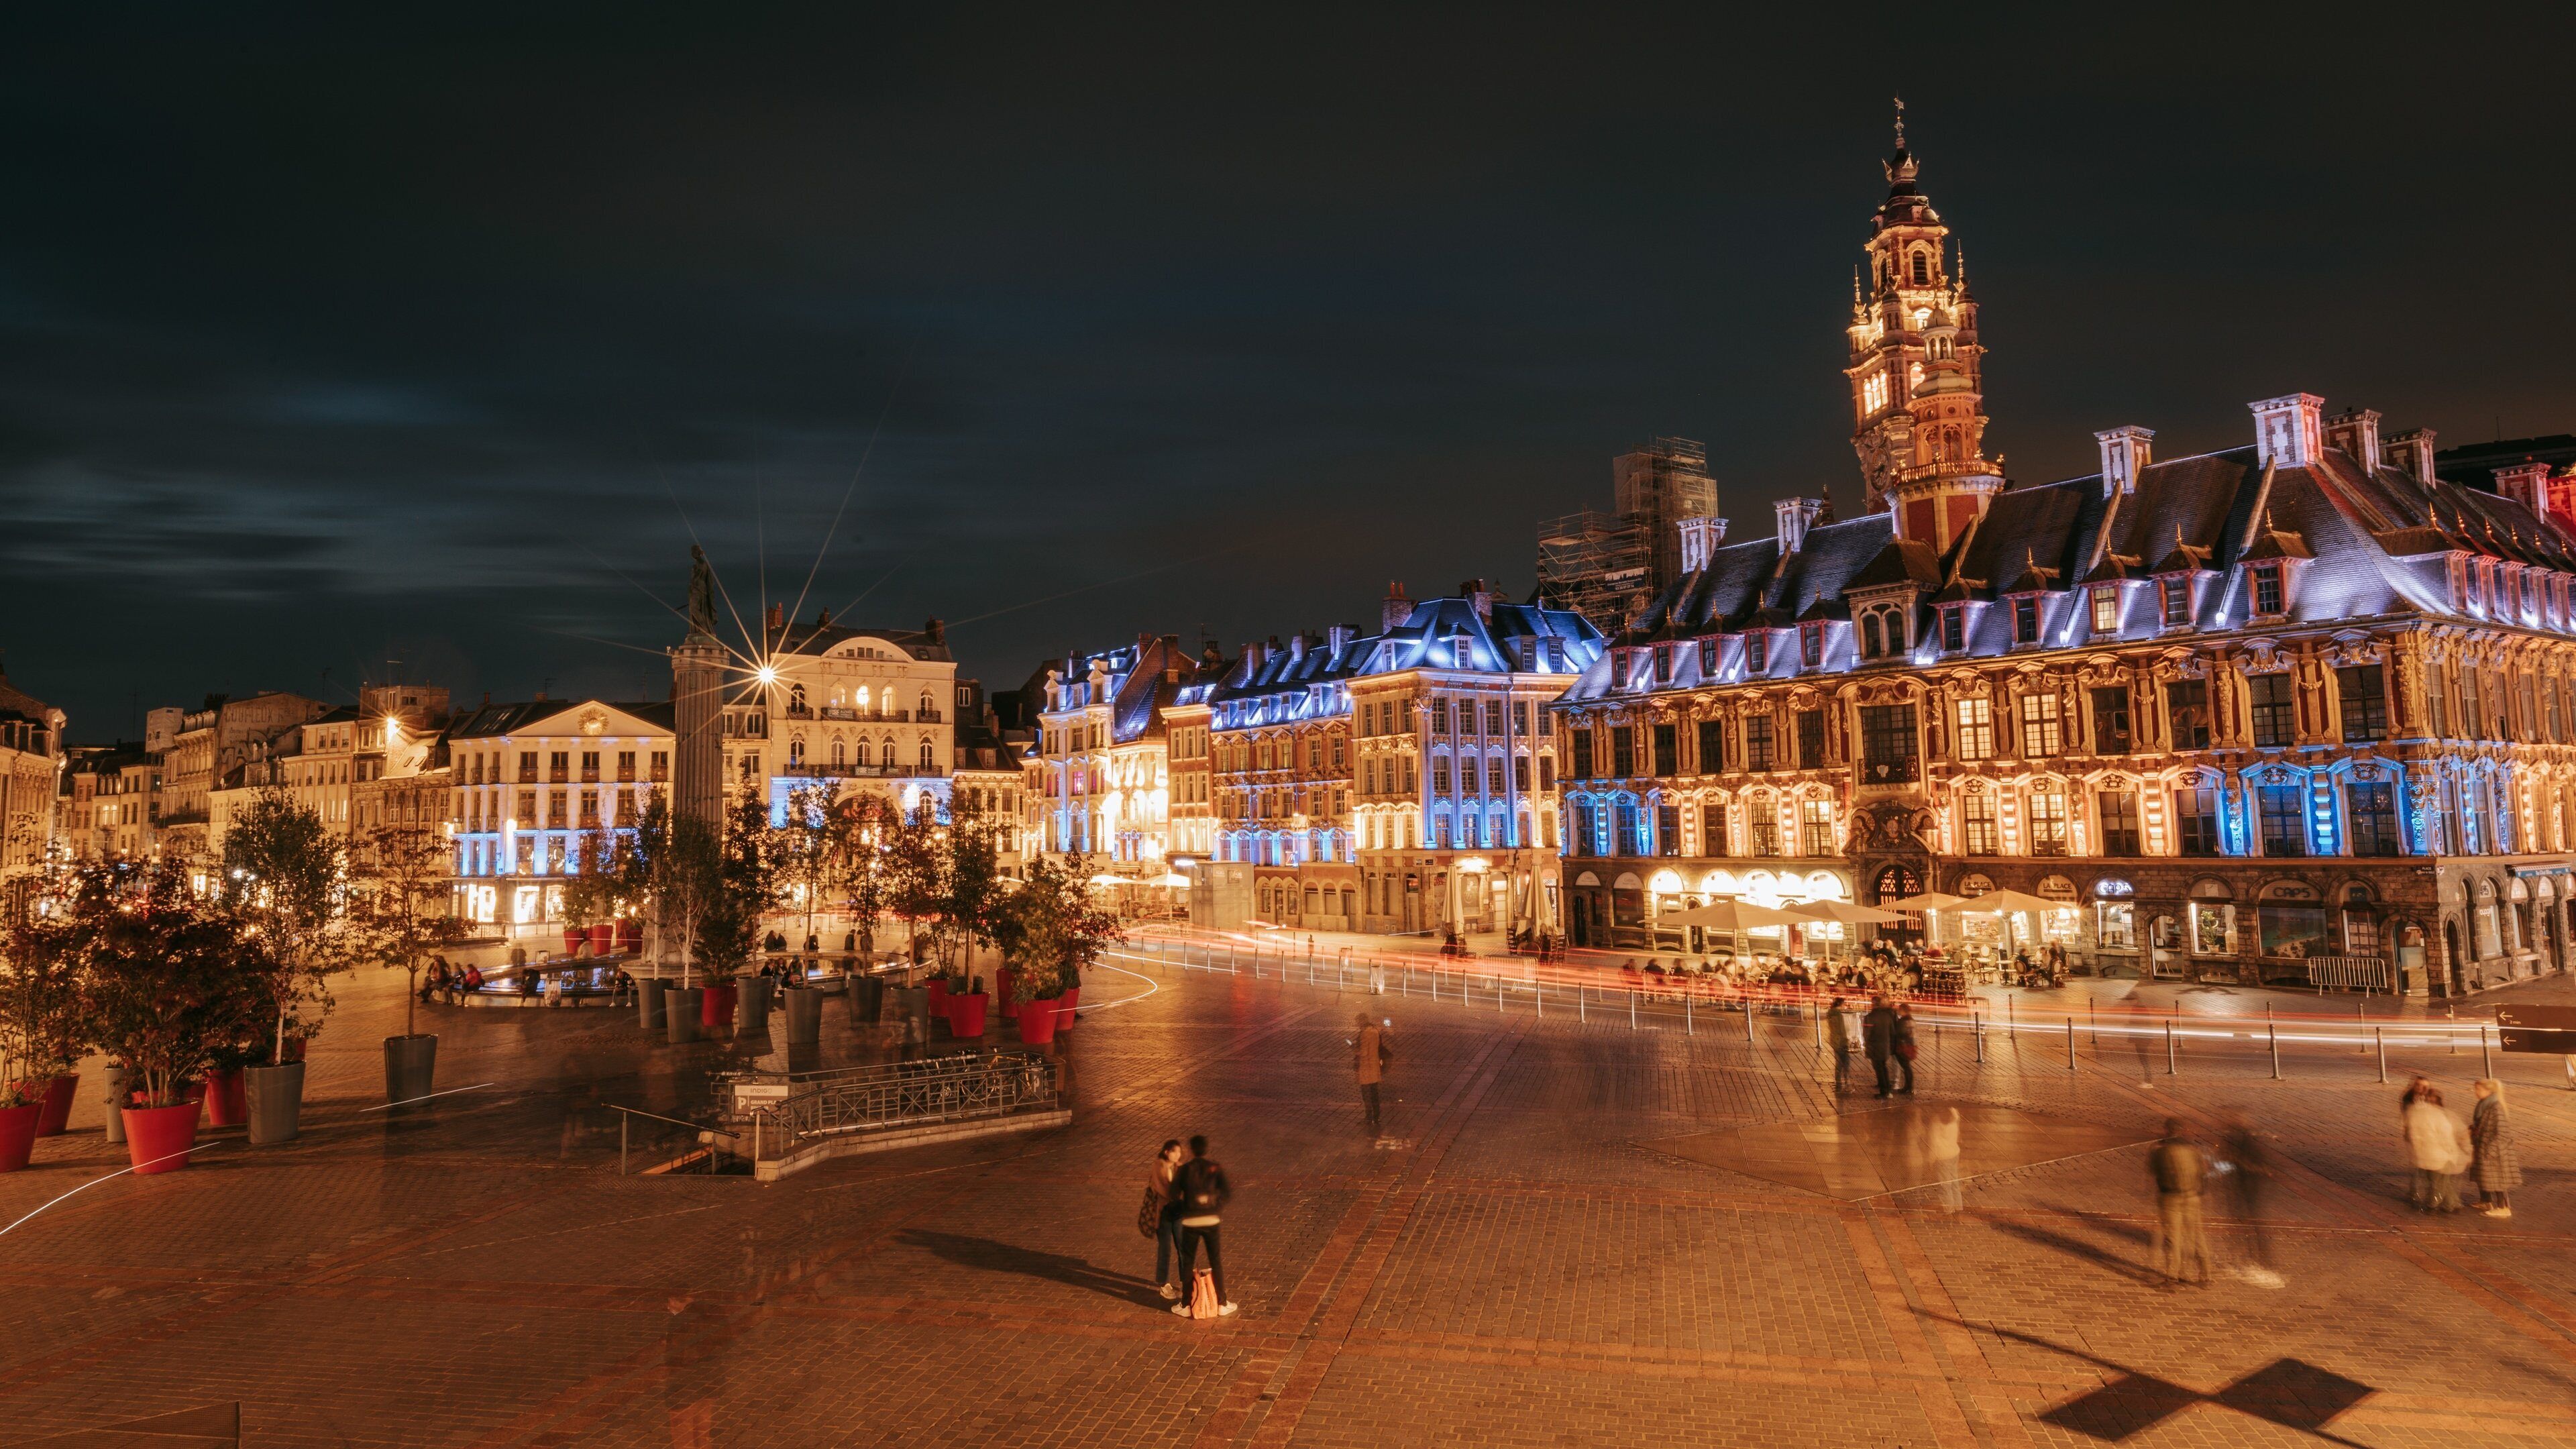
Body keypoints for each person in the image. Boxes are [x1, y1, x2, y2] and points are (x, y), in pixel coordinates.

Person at [1170, 1136, 1237, 1317]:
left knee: (1188, 1261)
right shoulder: (1215, 1168)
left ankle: (1185, 1304)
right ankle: (1222, 1303)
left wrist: (1185, 1208)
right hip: (1211, 1220)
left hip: (1191, 1220)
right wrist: (1216, 1207)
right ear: (1206, 1149)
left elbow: (1173, 1194)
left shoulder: (1184, 1170)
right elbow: (1228, 1192)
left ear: (1191, 1150)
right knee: (1215, 1259)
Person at [2216, 1116, 2284, 1289]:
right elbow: (2227, 1166)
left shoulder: (2248, 1145)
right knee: (2243, 1229)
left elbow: (2259, 1168)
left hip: (2250, 1194)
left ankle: (2264, 1264)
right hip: (2242, 1192)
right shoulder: (2237, 1142)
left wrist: (2233, 1161)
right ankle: (2248, 1261)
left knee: (2254, 1229)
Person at [2147, 1119, 2210, 1285]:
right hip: (2192, 1197)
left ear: (2166, 1130)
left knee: (2174, 1238)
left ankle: (2173, 1275)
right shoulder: (2193, 1148)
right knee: (2196, 1235)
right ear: (2183, 1131)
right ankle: (2205, 1274)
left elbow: (2153, 1171)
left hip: (2170, 1198)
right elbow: (2203, 1172)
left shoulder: (2159, 1149)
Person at [2402, 1083, 2468, 1213]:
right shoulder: (2440, 1115)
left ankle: (2452, 1204)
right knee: (2440, 1183)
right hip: (2441, 1156)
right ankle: (2434, 1205)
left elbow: (2412, 1135)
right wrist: (2452, 1152)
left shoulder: (2413, 1113)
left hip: (2424, 1156)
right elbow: (2446, 1137)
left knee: (2439, 1182)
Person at [2470, 1078, 2521, 1219]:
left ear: (2488, 1091)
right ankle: (2486, 1201)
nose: (2476, 1092)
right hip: (2485, 1147)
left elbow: (2502, 1133)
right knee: (2486, 1177)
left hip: (2496, 1151)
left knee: (2498, 1180)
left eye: (2478, 1089)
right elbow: (2481, 1124)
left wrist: (2490, 1151)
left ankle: (2503, 1207)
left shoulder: (2496, 1107)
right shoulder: (2484, 1105)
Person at [1144, 1139, 1186, 1299]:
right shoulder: (1158, 1166)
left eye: (1180, 1152)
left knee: (1183, 1247)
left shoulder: (1180, 1168)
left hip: (1178, 1213)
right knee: (1165, 1249)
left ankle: (1186, 1281)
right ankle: (1164, 1284)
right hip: (1163, 1214)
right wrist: (1180, 1196)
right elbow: (1163, 1190)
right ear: (1167, 1152)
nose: (1178, 1155)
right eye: (1175, 1152)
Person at [1354, 1012, 1391, 1136]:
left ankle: (1368, 1118)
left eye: (1358, 1022)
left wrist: (1354, 1048)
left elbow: (1363, 1052)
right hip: (1375, 1066)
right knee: (1375, 1093)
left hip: (1366, 1067)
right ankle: (1377, 1116)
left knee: (1366, 1094)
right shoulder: (1375, 1031)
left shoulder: (1365, 1034)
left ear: (1361, 1022)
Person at [1862, 994, 1898, 1099]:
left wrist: (1867, 1044)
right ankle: (1887, 1089)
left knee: (1879, 1069)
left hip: (1875, 1047)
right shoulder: (1887, 1017)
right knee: (1884, 1068)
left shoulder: (1870, 1017)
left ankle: (1884, 1092)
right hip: (1885, 1046)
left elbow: (1866, 1034)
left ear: (1873, 1005)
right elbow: (1892, 1032)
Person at [1928, 1105, 1963, 1213]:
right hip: (1954, 1152)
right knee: (1954, 1181)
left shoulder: (1936, 1123)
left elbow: (1933, 1142)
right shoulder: (1954, 1116)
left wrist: (1931, 1160)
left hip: (1942, 1156)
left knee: (1945, 1184)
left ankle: (1949, 1209)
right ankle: (1958, 1206)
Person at [1826, 996, 1857, 1094]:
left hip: (1834, 1041)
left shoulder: (1831, 1013)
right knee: (1846, 1064)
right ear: (1841, 1004)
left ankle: (1839, 1085)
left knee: (1839, 1064)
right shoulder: (1840, 1015)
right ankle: (1848, 1085)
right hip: (1842, 1041)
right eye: (1844, 1004)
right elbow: (1843, 1029)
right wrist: (1848, 1040)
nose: (1845, 1006)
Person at [1890, 1003, 1918, 1095]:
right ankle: (1909, 1087)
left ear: (1903, 1010)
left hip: (1904, 1047)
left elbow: (1899, 1033)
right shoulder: (1911, 1020)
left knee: (1906, 1068)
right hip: (1911, 1046)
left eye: (1900, 1009)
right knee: (1907, 1067)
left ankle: (1909, 1087)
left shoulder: (1904, 1021)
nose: (1898, 1011)